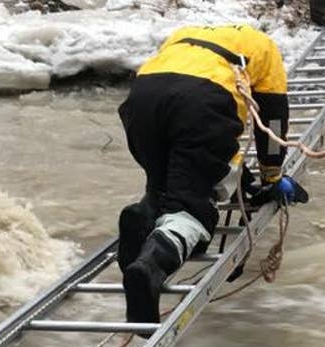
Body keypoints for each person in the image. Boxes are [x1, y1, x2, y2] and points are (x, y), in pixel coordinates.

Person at [117, 24, 308, 325]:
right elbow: (271, 122)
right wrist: (272, 177)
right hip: (203, 101)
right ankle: (151, 266)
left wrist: (241, 178)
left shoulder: (186, 33)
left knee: (166, 183)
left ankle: (145, 215)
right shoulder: (266, 49)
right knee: (192, 209)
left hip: (142, 99)